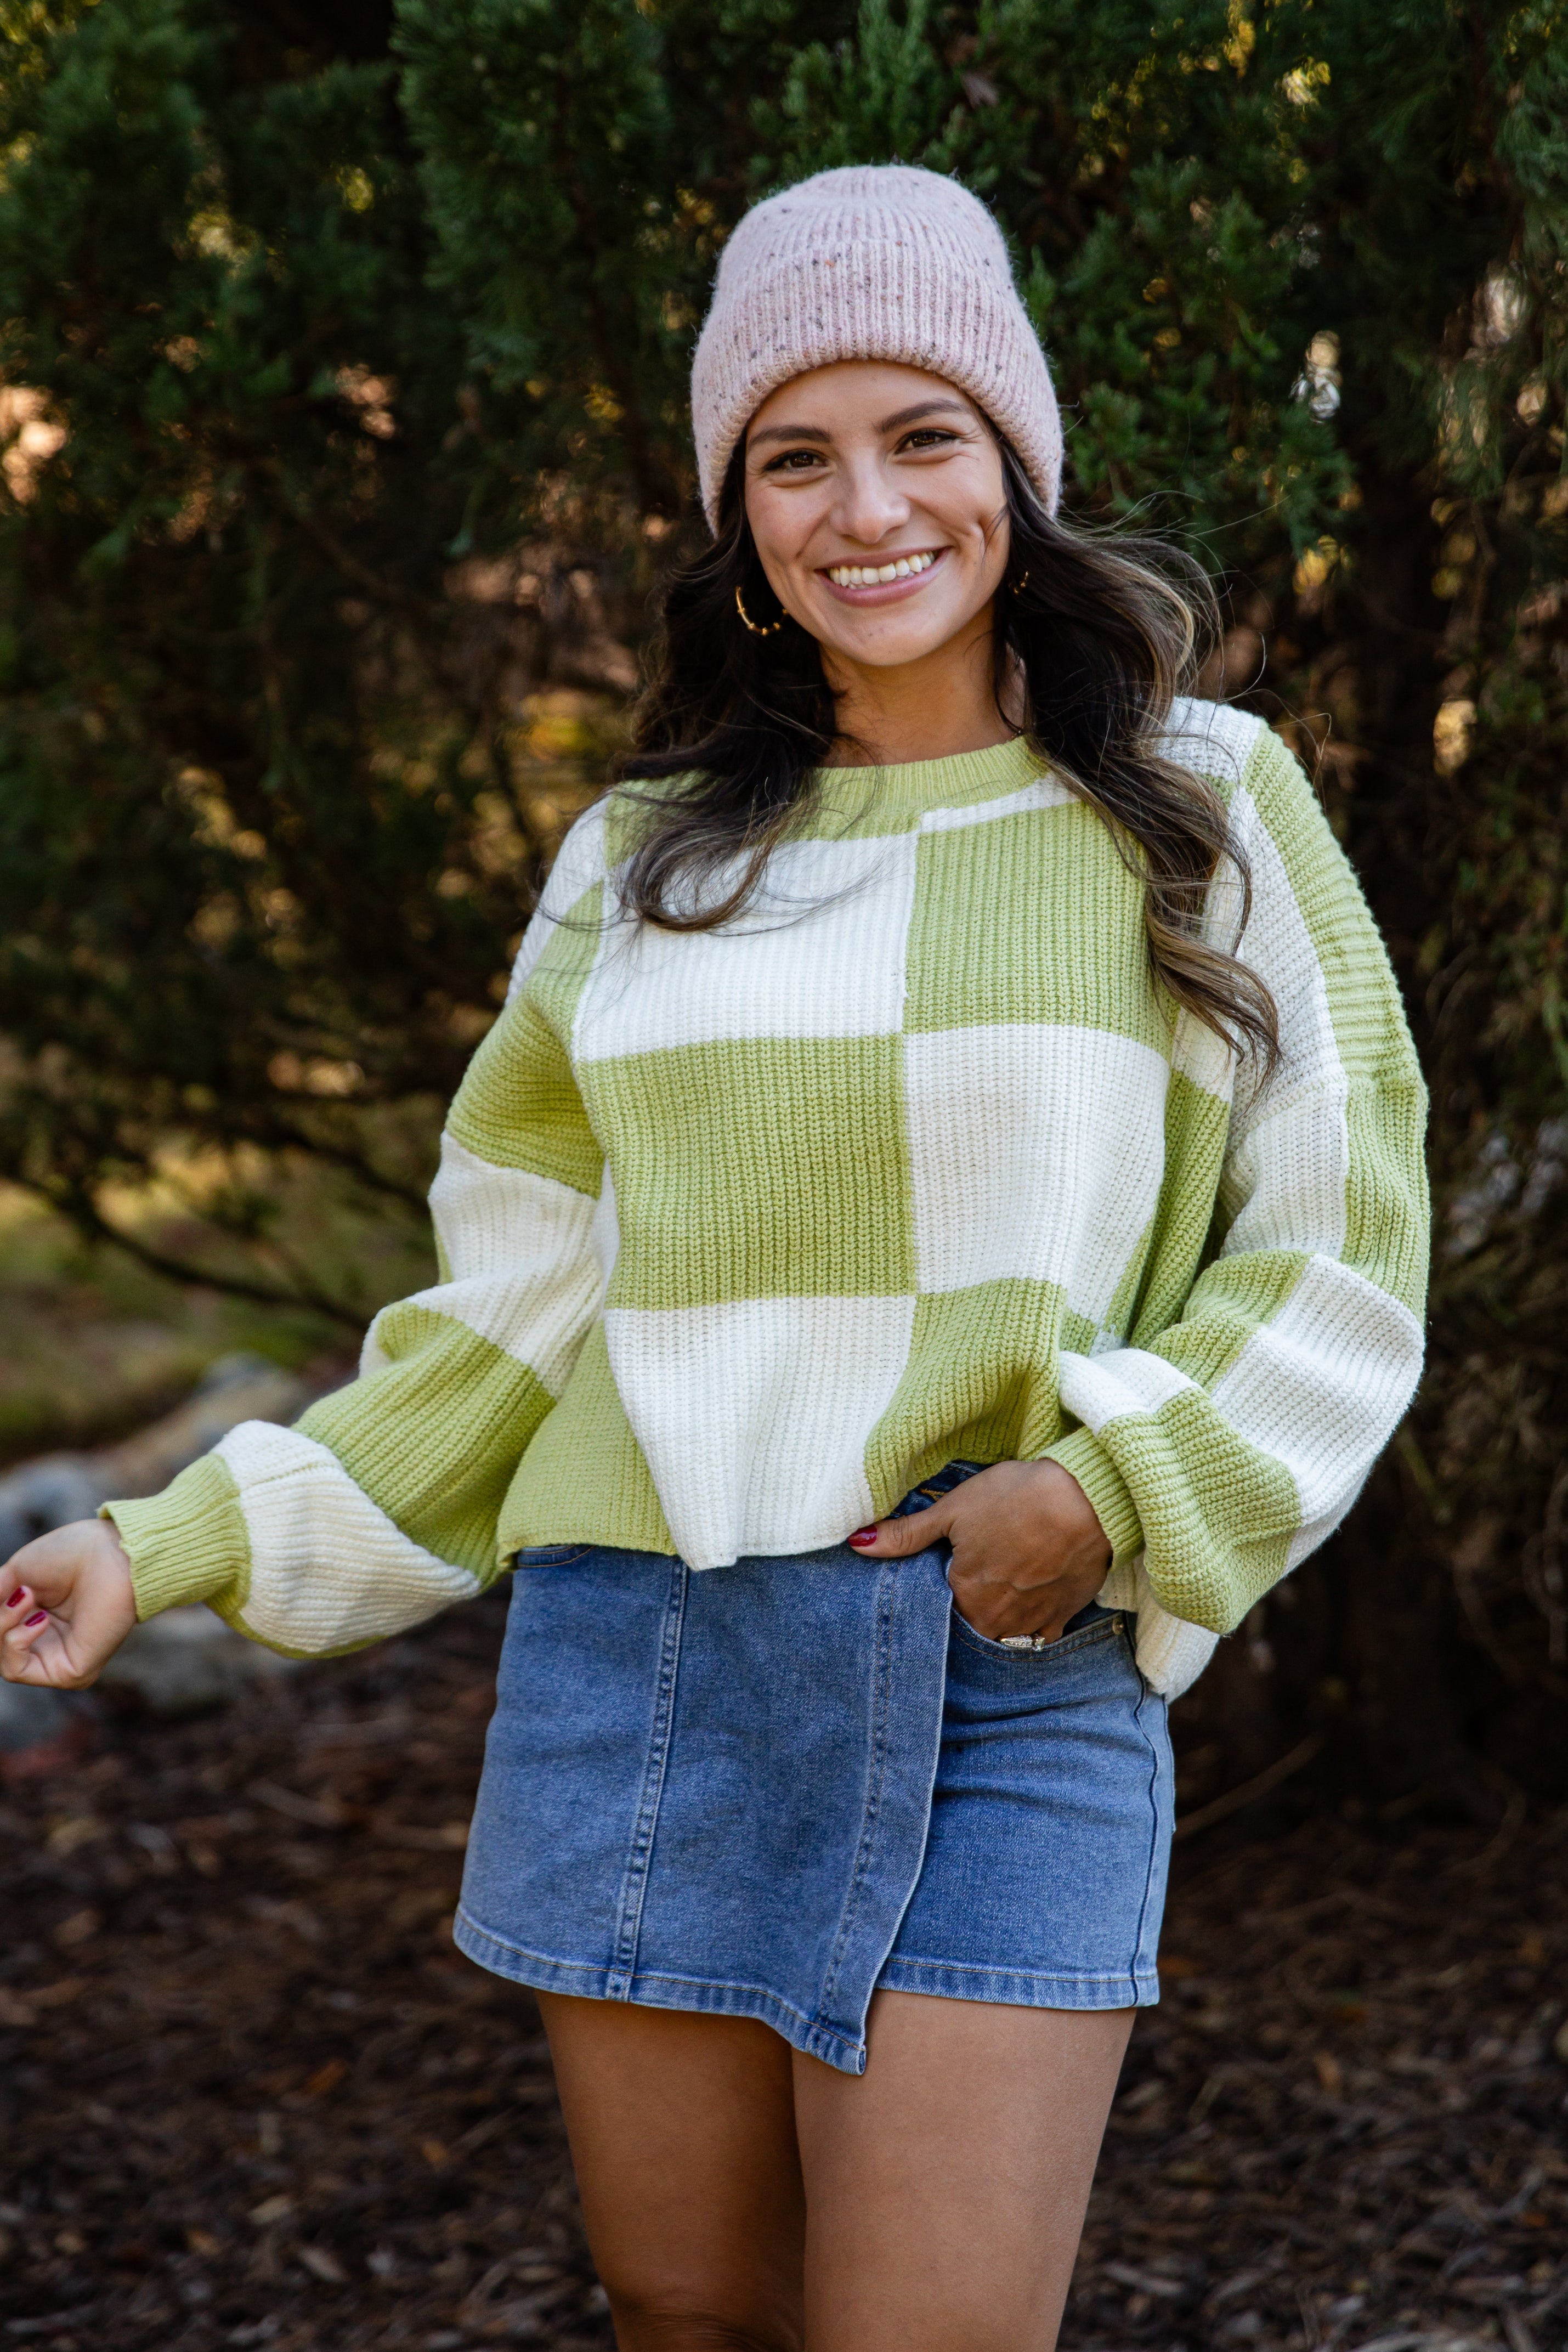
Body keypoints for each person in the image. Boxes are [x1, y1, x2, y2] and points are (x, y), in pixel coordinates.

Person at [1, 166, 1428, 2351]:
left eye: (921, 435)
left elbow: (1340, 1243)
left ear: (1015, 462)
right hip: (645, 1661)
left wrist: (1109, 1491)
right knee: (684, 2314)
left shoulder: (1200, 799)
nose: (865, 508)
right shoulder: (639, 864)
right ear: (735, 512)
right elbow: (505, 1328)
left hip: (1000, 1669)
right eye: (793, 456)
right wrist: (159, 1541)